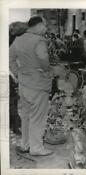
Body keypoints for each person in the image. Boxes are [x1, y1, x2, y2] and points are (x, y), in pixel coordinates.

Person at [9, 16, 53, 156]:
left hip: (24, 83)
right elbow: (43, 59)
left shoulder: (18, 39)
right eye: (45, 26)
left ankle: (25, 144)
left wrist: (18, 73)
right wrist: (47, 69)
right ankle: (37, 148)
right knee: (38, 117)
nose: (45, 29)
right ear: (39, 25)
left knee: (26, 116)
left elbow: (10, 58)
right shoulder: (39, 40)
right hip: (38, 84)